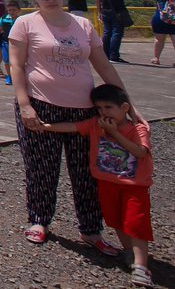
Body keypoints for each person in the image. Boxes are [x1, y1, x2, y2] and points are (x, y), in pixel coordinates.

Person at [9, 0, 133, 254]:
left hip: (84, 108)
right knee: (42, 167)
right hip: (41, 103)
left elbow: (104, 66)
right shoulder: (25, 24)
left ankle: (91, 230)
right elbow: (16, 66)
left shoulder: (83, 25)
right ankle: (40, 220)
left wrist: (127, 104)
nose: (50, 0)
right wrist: (24, 103)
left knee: (87, 172)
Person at [40, 84, 154, 287]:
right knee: (117, 220)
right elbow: (74, 127)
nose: (103, 113)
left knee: (136, 224)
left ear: (125, 107)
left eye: (109, 108)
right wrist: (45, 127)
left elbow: (140, 152)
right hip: (107, 183)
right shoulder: (96, 124)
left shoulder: (137, 128)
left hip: (133, 186)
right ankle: (129, 252)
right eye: (100, 109)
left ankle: (141, 265)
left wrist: (114, 133)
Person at [95, 0, 133, 64]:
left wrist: (99, 12)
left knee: (107, 33)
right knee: (116, 33)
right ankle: (114, 56)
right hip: (118, 12)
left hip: (105, 12)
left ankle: (105, 55)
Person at [0, 0, 22, 85]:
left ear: (19, 10)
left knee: (18, 61)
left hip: (18, 44)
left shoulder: (21, 20)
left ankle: (18, 76)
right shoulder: (4, 18)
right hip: (6, 42)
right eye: (9, 10)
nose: (11, 12)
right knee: (6, 60)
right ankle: (9, 76)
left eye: (14, 10)